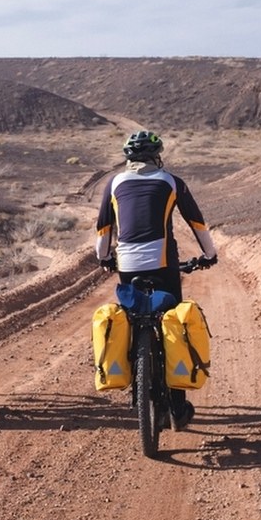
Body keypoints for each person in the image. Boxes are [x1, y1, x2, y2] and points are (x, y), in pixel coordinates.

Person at [95, 130, 218, 428]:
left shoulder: (114, 183)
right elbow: (196, 223)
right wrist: (209, 254)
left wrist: (104, 259)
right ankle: (177, 408)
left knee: (131, 315)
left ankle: (134, 380)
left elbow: (103, 232)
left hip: (127, 264)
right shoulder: (171, 181)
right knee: (172, 322)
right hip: (163, 265)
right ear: (156, 156)